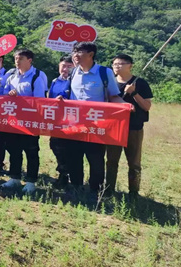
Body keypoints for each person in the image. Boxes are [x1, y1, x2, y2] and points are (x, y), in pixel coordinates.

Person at [57, 42, 130, 193]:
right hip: (74, 124)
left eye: (79, 52)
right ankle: (76, 186)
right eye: (74, 52)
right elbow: (69, 95)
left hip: (96, 125)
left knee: (95, 159)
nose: (75, 55)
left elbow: (114, 96)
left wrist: (125, 105)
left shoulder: (104, 72)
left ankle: (94, 190)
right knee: (74, 157)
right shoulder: (73, 72)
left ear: (91, 55)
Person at [0, 50, 48, 194]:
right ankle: (14, 177)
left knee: (31, 151)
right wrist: (10, 94)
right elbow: (4, 95)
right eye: (15, 58)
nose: (17, 61)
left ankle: (31, 181)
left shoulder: (37, 77)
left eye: (20, 58)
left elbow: (39, 101)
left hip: (31, 121)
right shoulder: (12, 76)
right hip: (14, 120)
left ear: (30, 60)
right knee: (13, 149)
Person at [105, 54, 153, 198]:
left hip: (134, 127)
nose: (116, 66)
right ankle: (109, 190)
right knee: (111, 161)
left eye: (120, 64)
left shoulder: (140, 83)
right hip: (113, 128)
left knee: (134, 162)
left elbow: (147, 106)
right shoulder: (109, 83)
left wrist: (134, 93)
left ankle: (133, 192)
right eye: (114, 64)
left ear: (130, 65)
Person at [47, 55, 74, 188]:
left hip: (71, 121)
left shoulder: (75, 81)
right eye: (63, 66)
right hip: (56, 120)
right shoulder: (54, 81)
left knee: (68, 149)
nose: (65, 69)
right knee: (55, 146)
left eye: (69, 67)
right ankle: (62, 173)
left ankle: (68, 177)